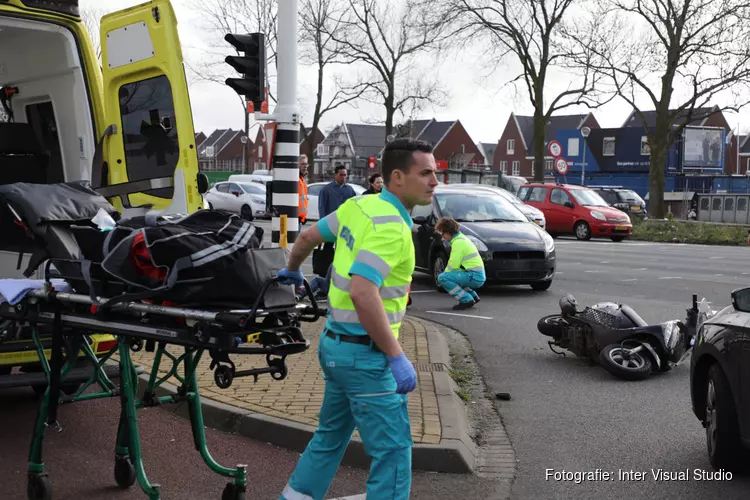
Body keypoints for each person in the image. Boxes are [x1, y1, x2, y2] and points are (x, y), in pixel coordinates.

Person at [276, 138, 439, 500]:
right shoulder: (392, 229)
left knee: (329, 439)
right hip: (366, 358)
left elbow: (306, 237)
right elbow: (363, 292)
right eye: (425, 172)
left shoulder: (359, 206)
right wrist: (396, 356)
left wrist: (292, 272)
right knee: (393, 454)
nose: (434, 181)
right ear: (397, 177)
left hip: (335, 346)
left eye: (436, 173)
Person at [435, 216, 486, 310]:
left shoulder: (458, 243)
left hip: (474, 276)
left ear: (449, 232)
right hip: (476, 275)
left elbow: (453, 265)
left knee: (443, 278)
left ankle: (466, 299)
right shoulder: (462, 239)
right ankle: (473, 296)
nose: (442, 238)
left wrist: (443, 278)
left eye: (443, 234)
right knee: (454, 276)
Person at [298, 154, 309, 225]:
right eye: (302, 164)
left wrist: (303, 217)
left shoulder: (302, 180)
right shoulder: (296, 179)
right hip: (294, 218)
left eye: (306, 164)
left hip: (299, 219)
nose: (305, 166)